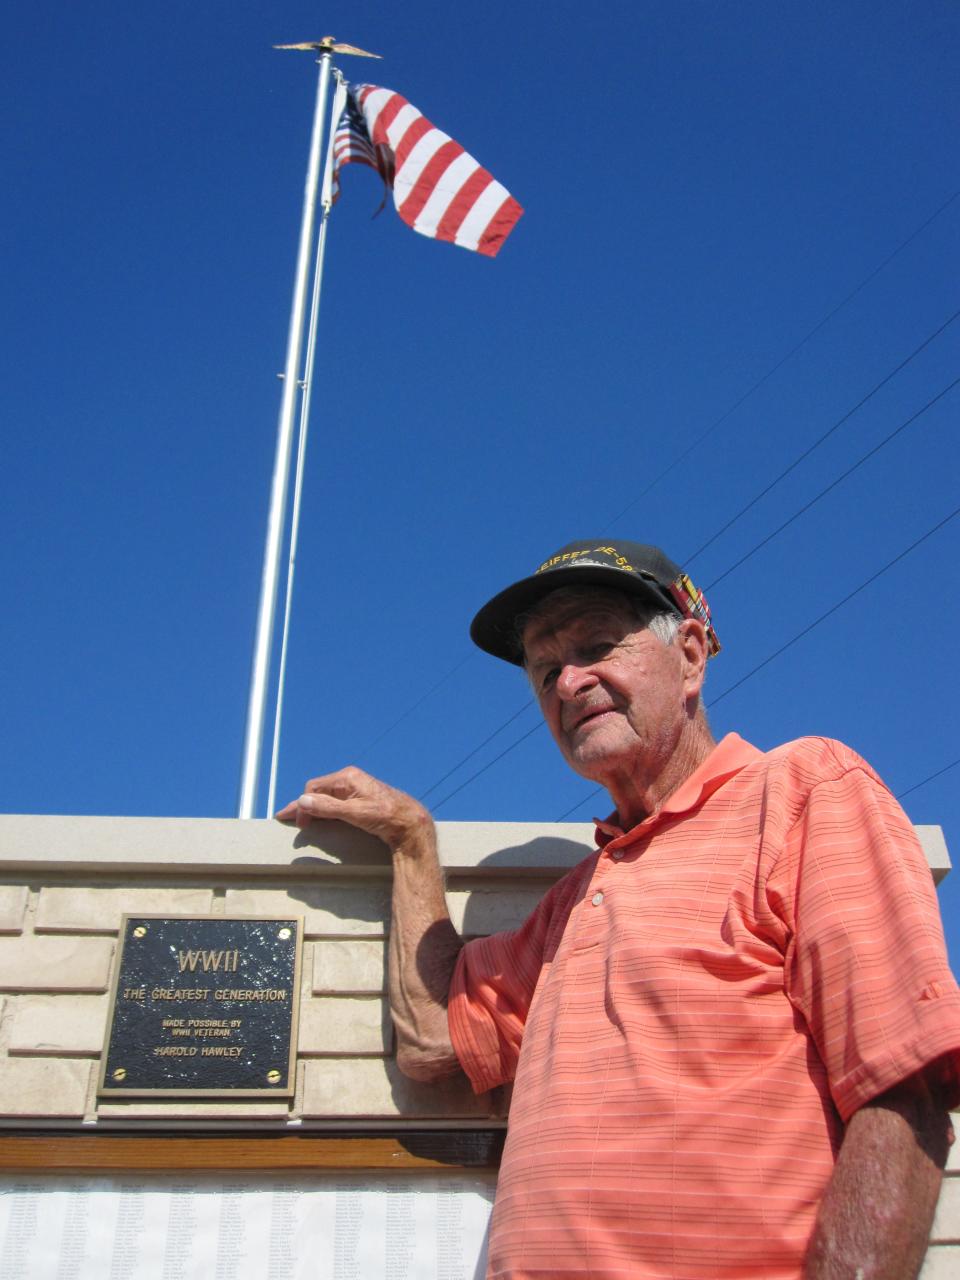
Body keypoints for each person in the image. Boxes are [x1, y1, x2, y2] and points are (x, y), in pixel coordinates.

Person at [278, 539, 960, 1280]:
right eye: (544, 671)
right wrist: (412, 842)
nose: (567, 683)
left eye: (597, 646)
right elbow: (434, 1040)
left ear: (692, 655)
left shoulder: (803, 791)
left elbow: (901, 1093)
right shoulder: (575, 899)